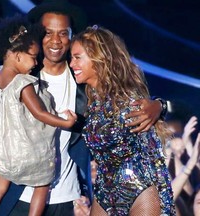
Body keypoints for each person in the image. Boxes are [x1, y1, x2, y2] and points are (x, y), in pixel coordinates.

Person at [0, 1, 166, 216]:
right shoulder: (19, 77)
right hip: (19, 196)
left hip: (69, 200)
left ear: (71, 36)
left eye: (63, 33)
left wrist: (160, 105)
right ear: (37, 35)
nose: (55, 41)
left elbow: (124, 98)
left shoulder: (84, 80)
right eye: (47, 33)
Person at [0, 14, 77, 216]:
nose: (36, 63)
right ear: (18, 56)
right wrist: (65, 121)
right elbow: (40, 113)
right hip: (26, 150)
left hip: (3, 150)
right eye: (33, 57)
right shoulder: (22, 83)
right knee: (43, 184)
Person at [69, 25, 175, 215]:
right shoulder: (94, 99)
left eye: (77, 57)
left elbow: (151, 153)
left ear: (98, 58)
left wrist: (161, 105)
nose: (72, 64)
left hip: (140, 190)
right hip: (105, 192)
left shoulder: (129, 100)